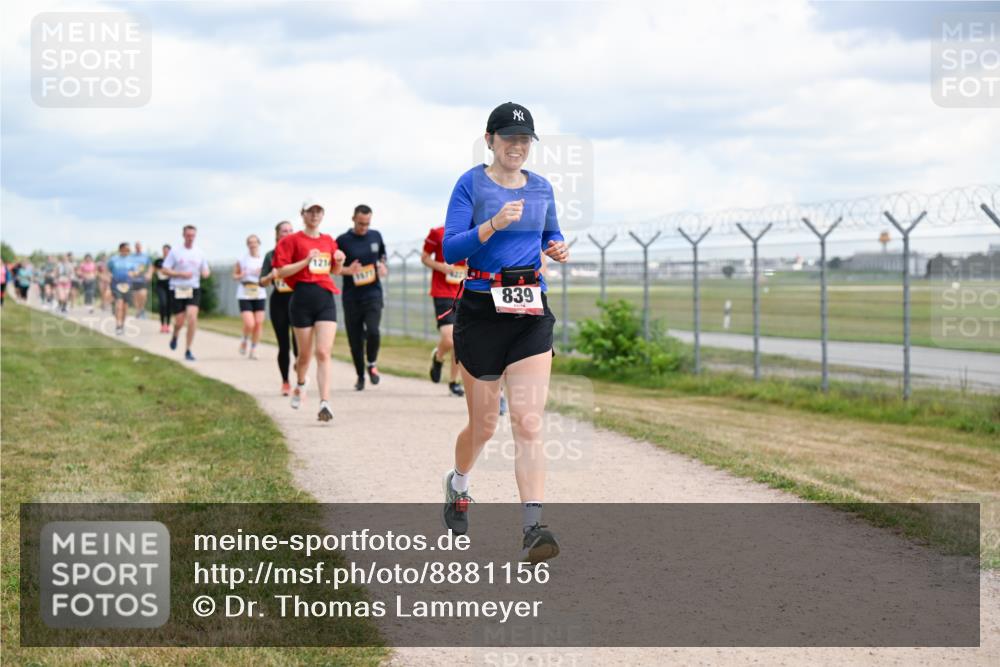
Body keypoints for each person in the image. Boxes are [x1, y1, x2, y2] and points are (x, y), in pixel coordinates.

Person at [440, 102, 570, 564]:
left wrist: (555, 248)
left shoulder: (541, 188)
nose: (517, 146)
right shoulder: (470, 183)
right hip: (480, 308)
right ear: (490, 140)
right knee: (484, 426)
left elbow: (549, 233)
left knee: (529, 421)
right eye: (509, 137)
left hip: (529, 309)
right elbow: (451, 247)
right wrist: (492, 224)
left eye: (525, 139)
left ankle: (533, 528)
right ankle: (458, 484)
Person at [272, 199, 346, 422]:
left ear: (322, 215)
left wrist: (340, 262)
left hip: (325, 298)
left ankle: (325, 402)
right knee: (304, 355)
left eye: (318, 211)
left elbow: (333, 270)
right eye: (310, 211)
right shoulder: (291, 241)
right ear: (302, 214)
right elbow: (281, 272)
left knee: (323, 352)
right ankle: (301, 383)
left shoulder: (328, 240)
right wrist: (305, 260)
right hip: (301, 299)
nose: (314, 215)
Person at [336, 205, 388, 391]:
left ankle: (372, 363)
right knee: (355, 339)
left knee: (373, 331)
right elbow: (334, 268)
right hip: (351, 297)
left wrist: (383, 267)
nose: (364, 227)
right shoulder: (342, 240)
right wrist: (348, 270)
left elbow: (383, 257)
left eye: (367, 224)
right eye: (360, 223)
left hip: (373, 293)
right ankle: (360, 375)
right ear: (353, 219)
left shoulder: (376, 236)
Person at [421, 225, 466, 397]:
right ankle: (438, 356)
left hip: (466, 291)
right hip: (443, 292)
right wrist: (442, 266)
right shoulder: (437, 232)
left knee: (460, 339)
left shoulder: (477, 232)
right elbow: (424, 258)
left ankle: (454, 382)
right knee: (449, 338)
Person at [161, 225, 211, 361]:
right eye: (188, 235)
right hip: (177, 288)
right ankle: (175, 334)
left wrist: (205, 273)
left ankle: (188, 350)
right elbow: (165, 270)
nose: (190, 238)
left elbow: (206, 270)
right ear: (183, 235)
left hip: (193, 288)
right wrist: (180, 274)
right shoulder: (175, 251)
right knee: (180, 321)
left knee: (192, 318)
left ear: (195, 236)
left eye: (192, 235)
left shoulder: (199, 252)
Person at [260, 221, 298, 395]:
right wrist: (271, 275)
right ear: (277, 235)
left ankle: (300, 376)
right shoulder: (271, 255)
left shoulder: (299, 253)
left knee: (299, 343)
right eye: (284, 231)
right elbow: (261, 282)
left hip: (298, 301)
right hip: (279, 303)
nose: (288, 233)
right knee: (284, 345)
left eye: (291, 230)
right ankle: (285, 382)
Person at [233, 234, 266, 359]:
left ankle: (254, 349)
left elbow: (268, 276)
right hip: (245, 293)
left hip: (259, 292)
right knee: (250, 323)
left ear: (258, 244)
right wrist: (242, 274)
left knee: (259, 323)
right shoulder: (242, 259)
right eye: (250, 243)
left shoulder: (264, 260)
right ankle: (244, 339)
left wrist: (262, 273)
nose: (252, 245)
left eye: (255, 242)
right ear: (247, 245)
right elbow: (234, 276)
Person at [106, 243, 133, 334]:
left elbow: (135, 271)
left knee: (125, 307)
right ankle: (118, 325)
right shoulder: (113, 260)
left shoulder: (131, 260)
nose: (127, 251)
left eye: (128, 250)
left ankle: (122, 324)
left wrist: (133, 274)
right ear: (120, 249)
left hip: (128, 285)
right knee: (119, 305)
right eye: (126, 249)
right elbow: (107, 270)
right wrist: (109, 275)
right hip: (116, 284)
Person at [153, 245, 172, 333]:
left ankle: (167, 325)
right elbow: (153, 270)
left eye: (167, 250)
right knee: (163, 303)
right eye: (164, 250)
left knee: (169, 305)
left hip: (170, 284)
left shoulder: (173, 261)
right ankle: (162, 325)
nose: (165, 252)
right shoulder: (158, 261)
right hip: (160, 284)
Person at [131, 241, 152, 318]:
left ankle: (141, 309)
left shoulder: (146, 256)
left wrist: (149, 274)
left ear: (141, 247)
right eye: (136, 246)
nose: (138, 247)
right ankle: (138, 311)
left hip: (143, 279)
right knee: (135, 296)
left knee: (143, 295)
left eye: (139, 246)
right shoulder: (131, 256)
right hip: (133, 279)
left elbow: (150, 266)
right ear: (135, 247)